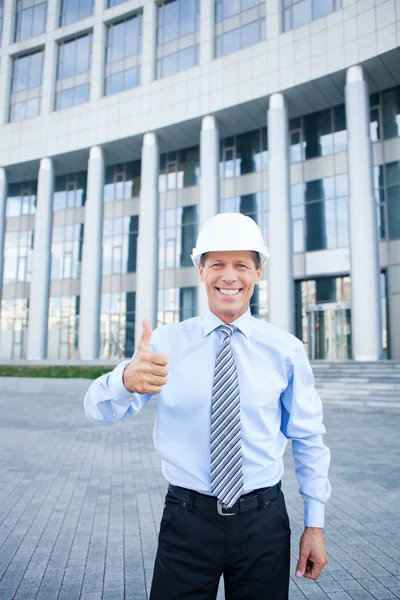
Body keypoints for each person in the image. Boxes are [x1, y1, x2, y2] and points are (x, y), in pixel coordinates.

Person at [84, 212, 331, 600]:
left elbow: (309, 438)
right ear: (201, 271)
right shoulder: (165, 344)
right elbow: (96, 410)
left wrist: (314, 525)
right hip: (187, 522)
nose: (228, 276)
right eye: (217, 264)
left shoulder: (285, 350)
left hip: (263, 523)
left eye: (241, 266)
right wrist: (124, 379)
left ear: (258, 273)